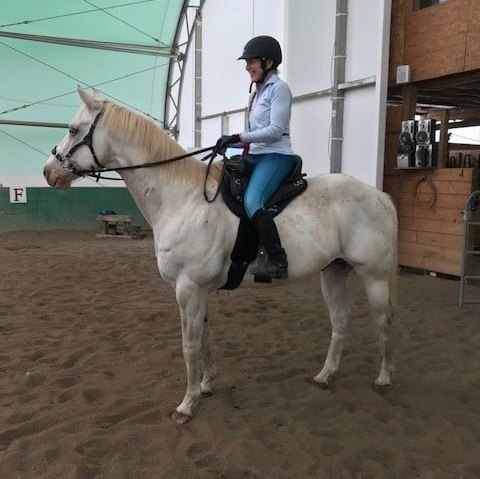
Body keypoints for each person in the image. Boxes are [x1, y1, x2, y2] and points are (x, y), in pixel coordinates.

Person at [216, 35, 296, 279]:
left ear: (268, 63)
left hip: (276, 156)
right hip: (256, 155)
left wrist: (238, 137)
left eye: (251, 62)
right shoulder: (257, 92)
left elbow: (274, 131)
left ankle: (277, 258)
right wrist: (231, 142)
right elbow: (253, 133)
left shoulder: (279, 89)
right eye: (247, 62)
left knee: (253, 201)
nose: (247, 67)